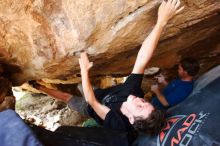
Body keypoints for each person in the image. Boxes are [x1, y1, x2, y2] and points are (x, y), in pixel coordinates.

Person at [31, 0, 184, 144]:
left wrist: (84, 70)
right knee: (82, 87)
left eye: (139, 107)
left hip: (90, 107)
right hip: (101, 93)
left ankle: (40, 88)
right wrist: (161, 21)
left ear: (130, 119)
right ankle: (79, 85)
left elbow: (91, 101)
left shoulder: (119, 124)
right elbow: (142, 59)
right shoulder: (134, 91)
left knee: (67, 97)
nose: (140, 100)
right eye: (144, 102)